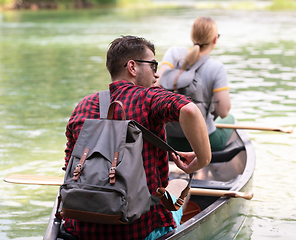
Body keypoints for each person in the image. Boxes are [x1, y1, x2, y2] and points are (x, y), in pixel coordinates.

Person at [62, 35, 211, 240]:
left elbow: (69, 164)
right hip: (138, 231)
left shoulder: (83, 106)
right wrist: (203, 160)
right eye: (153, 65)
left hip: (80, 229)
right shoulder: (148, 99)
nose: (156, 74)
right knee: (179, 183)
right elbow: (190, 111)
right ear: (133, 67)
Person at [157, 16, 234, 152]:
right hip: (202, 142)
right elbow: (223, 112)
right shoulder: (216, 68)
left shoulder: (173, 53)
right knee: (230, 119)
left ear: (192, 36)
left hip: (167, 140)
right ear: (215, 39)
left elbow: (157, 85)